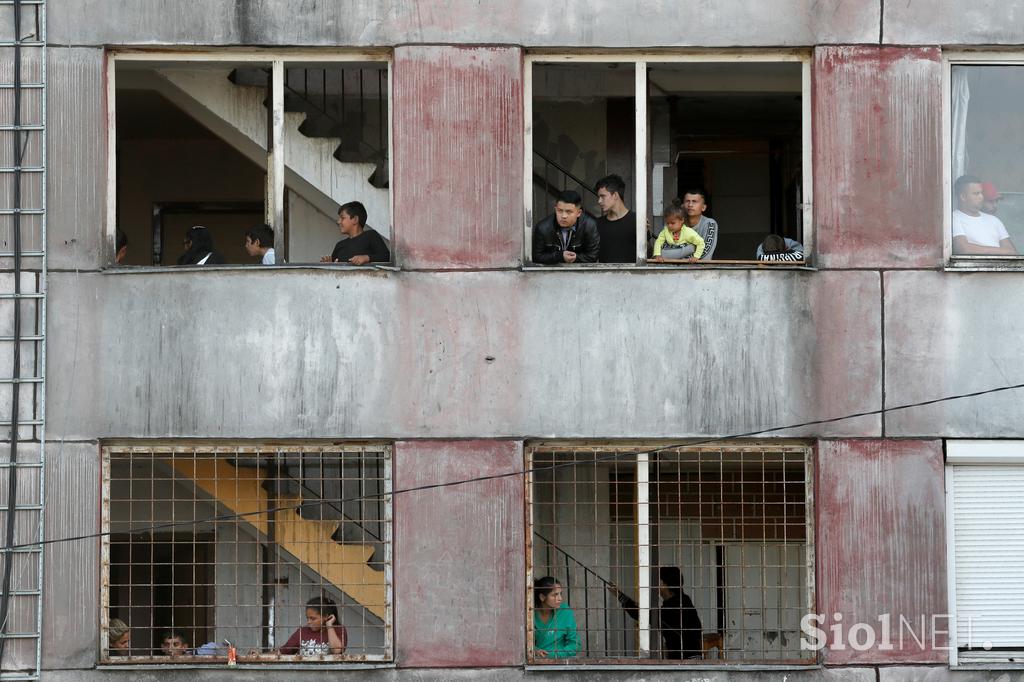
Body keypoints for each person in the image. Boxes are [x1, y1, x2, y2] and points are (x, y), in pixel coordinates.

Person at [608, 566, 703, 659]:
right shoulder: (684, 601)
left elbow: (641, 615)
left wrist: (619, 595)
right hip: (692, 658)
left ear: (662, 583)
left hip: (685, 662)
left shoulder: (673, 607)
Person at [952, 174, 1017, 255]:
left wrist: (977, 249)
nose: (981, 197)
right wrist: (1000, 251)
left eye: (981, 193)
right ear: (963, 197)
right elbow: (963, 249)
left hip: (1001, 267)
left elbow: (1012, 252)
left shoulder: (994, 220)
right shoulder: (953, 218)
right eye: (976, 193)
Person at [532, 190, 600, 265]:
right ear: (555, 209)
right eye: (560, 211)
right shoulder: (543, 228)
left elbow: (593, 256)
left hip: (580, 274)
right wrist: (560, 256)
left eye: (569, 212)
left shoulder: (589, 226)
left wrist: (575, 258)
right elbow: (536, 257)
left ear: (579, 213)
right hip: (550, 274)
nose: (563, 216)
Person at [321, 201, 390, 265]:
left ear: (355, 219)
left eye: (342, 218)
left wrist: (366, 258)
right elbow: (335, 268)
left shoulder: (370, 236)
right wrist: (329, 264)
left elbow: (385, 256)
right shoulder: (339, 245)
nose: (338, 222)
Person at [662, 189, 719, 260]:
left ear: (703, 207)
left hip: (700, 270)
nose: (690, 205)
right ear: (682, 206)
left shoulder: (709, 224)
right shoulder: (672, 223)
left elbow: (705, 256)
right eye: (687, 201)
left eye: (694, 202)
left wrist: (677, 254)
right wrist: (692, 247)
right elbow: (663, 253)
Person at [279, 596, 347, 656]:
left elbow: (337, 651)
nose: (308, 622)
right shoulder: (302, 632)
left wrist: (329, 626)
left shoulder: (338, 630)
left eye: (313, 618)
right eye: (307, 618)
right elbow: (282, 652)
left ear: (326, 616)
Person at [532, 576, 579, 659]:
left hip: (560, 662)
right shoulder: (531, 614)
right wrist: (534, 650)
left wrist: (553, 655)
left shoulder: (565, 611)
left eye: (561, 594)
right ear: (542, 597)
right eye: (555, 595)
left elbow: (574, 645)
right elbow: (522, 642)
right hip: (535, 662)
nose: (560, 599)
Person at [595, 174, 636, 263]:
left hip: (631, 275)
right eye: (599, 197)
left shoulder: (636, 220)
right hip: (604, 275)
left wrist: (645, 233)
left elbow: (647, 253)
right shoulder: (598, 223)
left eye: (603, 196)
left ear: (615, 195)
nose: (599, 201)